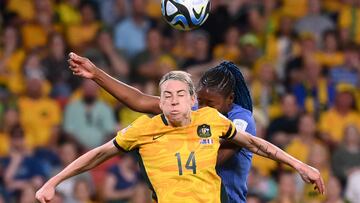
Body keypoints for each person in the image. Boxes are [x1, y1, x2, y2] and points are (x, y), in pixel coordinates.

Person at [36, 70, 325, 203]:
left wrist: (301, 165)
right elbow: (98, 154)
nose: (173, 101)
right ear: (160, 102)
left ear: (192, 100)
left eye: (180, 95)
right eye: (166, 96)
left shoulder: (211, 119)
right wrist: (53, 181)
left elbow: (256, 144)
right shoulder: (143, 129)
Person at [67, 52, 256, 202]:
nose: (203, 109)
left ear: (230, 98)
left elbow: (211, 158)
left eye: (211, 104)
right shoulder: (191, 108)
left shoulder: (242, 119)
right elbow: (139, 100)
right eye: (200, 101)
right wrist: (95, 74)